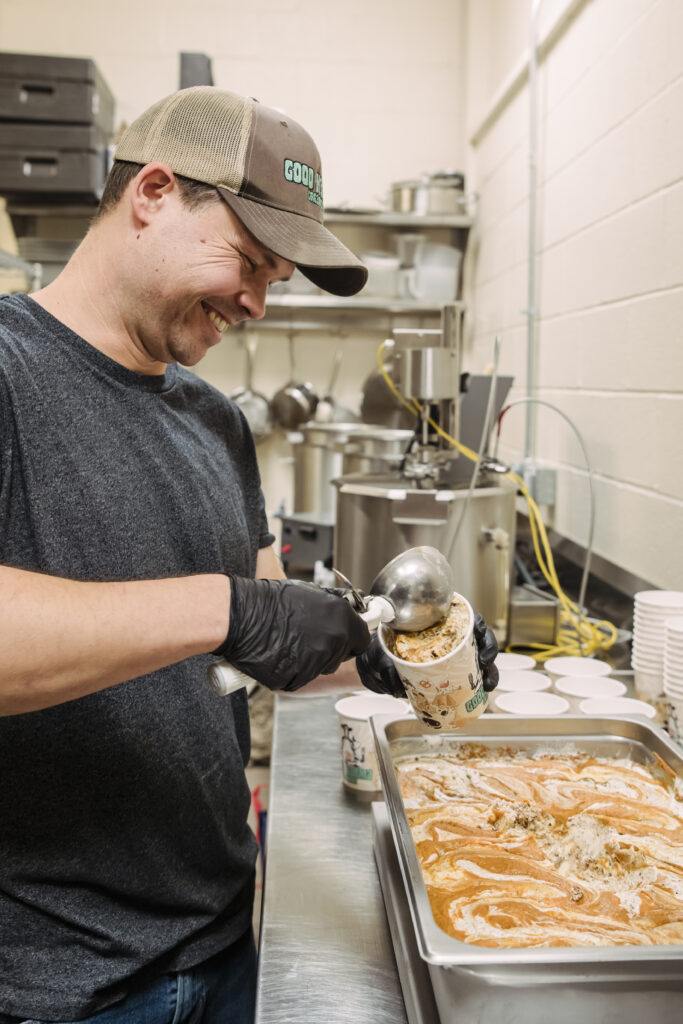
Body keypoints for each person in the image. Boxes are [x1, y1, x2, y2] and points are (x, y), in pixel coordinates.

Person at [0, 86, 497, 1024]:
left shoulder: (213, 421)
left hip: (224, 940)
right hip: (57, 985)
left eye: (274, 278)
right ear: (152, 191)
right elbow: (234, 613)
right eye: (248, 262)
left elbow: (266, 634)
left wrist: (392, 658)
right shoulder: (10, 372)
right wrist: (228, 608)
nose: (258, 304)